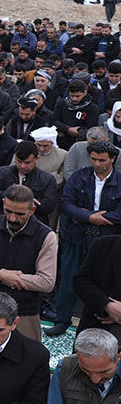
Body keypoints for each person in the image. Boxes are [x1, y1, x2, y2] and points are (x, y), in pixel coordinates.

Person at [0, 184, 57, 340]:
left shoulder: (46, 236)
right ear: (3, 203)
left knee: (23, 361)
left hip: (24, 313)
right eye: (8, 211)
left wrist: (1, 278)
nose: (13, 218)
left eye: (20, 214)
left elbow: (46, 282)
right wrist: (0, 275)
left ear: (32, 210)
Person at [49, 140, 121, 337]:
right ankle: (61, 321)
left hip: (107, 239)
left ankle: (100, 319)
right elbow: (65, 203)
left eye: (102, 160)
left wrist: (88, 216)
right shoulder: (80, 176)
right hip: (78, 237)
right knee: (69, 278)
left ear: (113, 159)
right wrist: (92, 217)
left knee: (105, 282)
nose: (97, 163)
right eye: (94, 159)